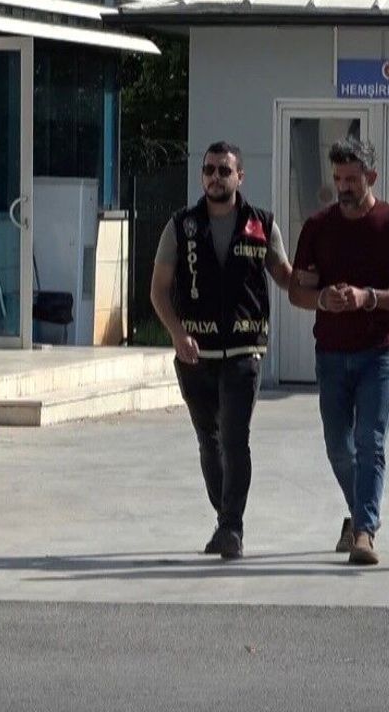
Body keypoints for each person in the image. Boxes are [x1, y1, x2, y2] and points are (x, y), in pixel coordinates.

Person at [150, 141, 293, 559]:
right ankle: (224, 517)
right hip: (196, 354)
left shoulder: (261, 224)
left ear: (239, 177)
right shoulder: (181, 226)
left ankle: (232, 527)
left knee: (234, 438)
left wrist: (320, 284)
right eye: (209, 170)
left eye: (224, 171)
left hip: (244, 350)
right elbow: (159, 290)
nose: (216, 177)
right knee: (208, 441)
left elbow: (286, 276)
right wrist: (177, 333)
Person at [287, 138, 389, 566]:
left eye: (351, 179)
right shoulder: (317, 226)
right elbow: (297, 290)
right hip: (331, 352)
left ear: (371, 177)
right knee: (338, 447)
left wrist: (369, 297)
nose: (343, 187)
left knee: (370, 440)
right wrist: (323, 299)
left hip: (379, 352)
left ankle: (364, 531)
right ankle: (361, 511)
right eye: (338, 179)